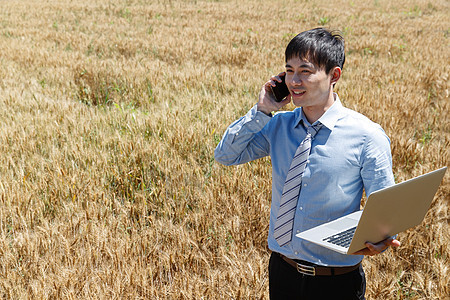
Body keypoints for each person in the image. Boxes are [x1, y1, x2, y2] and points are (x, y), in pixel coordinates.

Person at [214, 27, 400, 299]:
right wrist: (263, 110)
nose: (294, 81)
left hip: (337, 281)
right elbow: (226, 155)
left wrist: (379, 239)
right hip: (282, 271)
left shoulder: (366, 136)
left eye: (305, 71)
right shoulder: (278, 125)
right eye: (289, 70)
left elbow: (385, 208)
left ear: (334, 75)